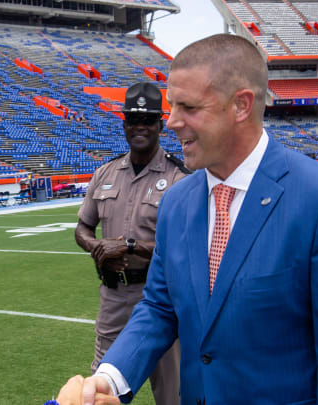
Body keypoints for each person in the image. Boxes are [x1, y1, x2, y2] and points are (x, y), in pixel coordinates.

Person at [75, 34, 318, 405]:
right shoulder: (177, 202)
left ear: (241, 105)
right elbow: (159, 307)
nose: (172, 122)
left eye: (189, 107)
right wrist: (111, 378)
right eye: (172, 106)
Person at [75, 82, 189, 405]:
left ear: (160, 125)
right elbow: (82, 228)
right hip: (112, 300)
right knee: (97, 394)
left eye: (148, 120)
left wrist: (127, 246)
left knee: (172, 396)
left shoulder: (181, 178)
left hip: (160, 301)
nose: (140, 127)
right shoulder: (105, 172)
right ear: (123, 125)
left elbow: (184, 247)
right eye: (133, 120)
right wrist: (97, 248)